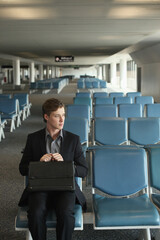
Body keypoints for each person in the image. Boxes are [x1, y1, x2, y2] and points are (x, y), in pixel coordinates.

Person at [18, 98, 88, 240]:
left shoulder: (73, 140)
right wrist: (38, 162)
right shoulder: (33, 139)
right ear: (46, 117)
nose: (62, 119)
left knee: (66, 214)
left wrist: (67, 166)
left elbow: (84, 170)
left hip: (65, 187)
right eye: (57, 115)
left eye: (63, 115)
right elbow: (22, 169)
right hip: (40, 187)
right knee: (36, 213)